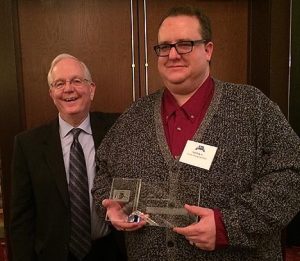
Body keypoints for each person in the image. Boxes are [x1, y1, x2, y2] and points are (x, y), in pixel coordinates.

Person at [92, 6, 300, 261]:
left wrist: (228, 226)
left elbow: (292, 175)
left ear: (208, 49)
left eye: (185, 44)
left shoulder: (253, 107)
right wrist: (110, 204)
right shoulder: (134, 116)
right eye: (164, 47)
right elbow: (103, 172)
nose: (173, 54)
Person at [10, 53, 126, 261]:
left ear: (91, 89)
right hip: (53, 255)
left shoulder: (118, 129)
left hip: (111, 251)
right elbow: (21, 220)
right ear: (52, 94)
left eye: (76, 81)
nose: (68, 89)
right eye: (59, 83)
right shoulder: (28, 145)